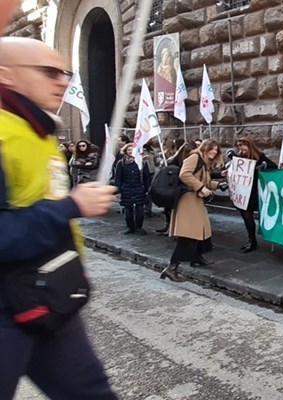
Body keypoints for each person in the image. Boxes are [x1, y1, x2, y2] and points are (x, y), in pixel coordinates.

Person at [0, 36, 118, 399]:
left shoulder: (40, 130)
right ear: (6, 76)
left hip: (49, 295)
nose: (63, 81)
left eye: (65, 72)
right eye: (49, 72)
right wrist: (72, 206)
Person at [162, 139, 225, 282]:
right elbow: (184, 174)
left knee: (201, 231)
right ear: (205, 147)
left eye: (216, 150)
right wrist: (201, 188)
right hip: (188, 200)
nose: (214, 152)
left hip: (195, 199)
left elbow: (205, 181)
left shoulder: (203, 161)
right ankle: (171, 268)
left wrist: (218, 185)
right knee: (188, 235)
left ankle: (196, 257)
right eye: (212, 148)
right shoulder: (195, 157)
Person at [232, 135, 277, 253]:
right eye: (239, 146)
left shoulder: (259, 156)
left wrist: (263, 166)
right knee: (246, 217)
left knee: (250, 215)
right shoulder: (239, 157)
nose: (242, 148)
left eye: (244, 145)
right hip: (242, 190)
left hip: (253, 191)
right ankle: (251, 240)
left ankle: (253, 241)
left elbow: (273, 166)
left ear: (249, 145)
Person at [115, 144, 151, 235]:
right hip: (126, 189)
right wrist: (118, 189)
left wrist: (147, 189)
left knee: (140, 210)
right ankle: (130, 227)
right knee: (128, 210)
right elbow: (118, 178)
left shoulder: (141, 162)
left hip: (139, 188)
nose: (130, 151)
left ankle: (139, 227)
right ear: (125, 151)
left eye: (132, 149)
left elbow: (147, 177)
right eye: (129, 150)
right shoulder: (121, 163)